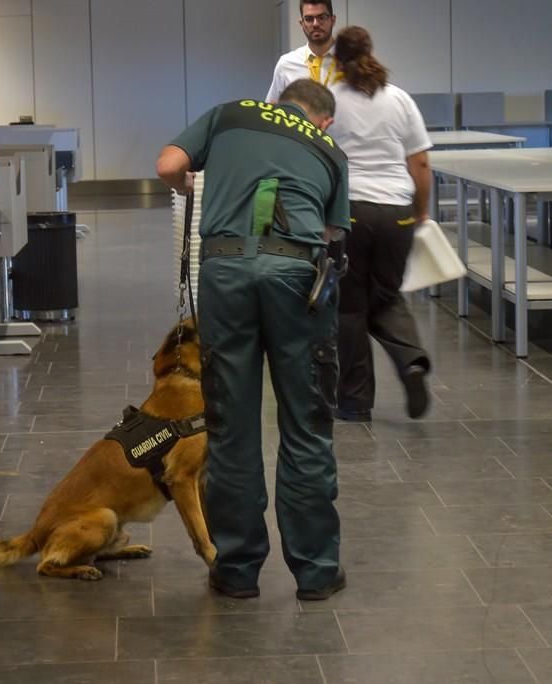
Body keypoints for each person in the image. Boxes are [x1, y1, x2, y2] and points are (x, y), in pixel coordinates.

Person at [156, 79, 350, 601]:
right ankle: (315, 571)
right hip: (297, 282)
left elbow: (168, 166)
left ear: (277, 104)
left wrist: (195, 190)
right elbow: (331, 234)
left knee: (231, 426)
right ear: (321, 119)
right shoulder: (330, 149)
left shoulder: (230, 112)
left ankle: (237, 570)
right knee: (306, 426)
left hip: (225, 274)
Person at [326, 26, 432, 422]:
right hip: (396, 211)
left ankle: (354, 402)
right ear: (372, 51)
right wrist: (419, 211)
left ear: (337, 61)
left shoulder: (331, 101)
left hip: (352, 212)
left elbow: (321, 160)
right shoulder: (400, 98)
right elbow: (420, 164)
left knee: (350, 307)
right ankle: (411, 362)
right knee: (386, 296)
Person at [266, 0, 342, 103]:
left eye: (322, 17)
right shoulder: (286, 64)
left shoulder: (350, 61)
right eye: (309, 19)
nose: (315, 24)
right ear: (302, 23)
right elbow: (271, 108)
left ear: (333, 20)